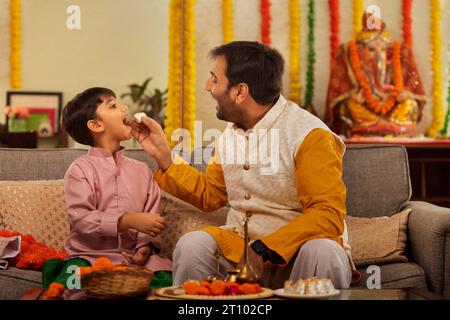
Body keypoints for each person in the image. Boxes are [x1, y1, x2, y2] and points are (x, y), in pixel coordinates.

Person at [132, 41, 360, 289]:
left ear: (240, 92)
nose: (207, 86)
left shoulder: (311, 135)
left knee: (324, 251)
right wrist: (163, 155)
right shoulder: (231, 134)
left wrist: (265, 249)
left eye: (214, 79)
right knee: (192, 244)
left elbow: (327, 216)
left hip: (300, 251)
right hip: (240, 246)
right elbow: (211, 194)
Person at [42, 87, 172, 289]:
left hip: (133, 260)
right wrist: (127, 220)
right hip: (88, 258)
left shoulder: (142, 170)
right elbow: (81, 218)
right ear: (96, 125)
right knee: (70, 283)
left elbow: (151, 215)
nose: (124, 108)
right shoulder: (80, 170)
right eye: (113, 105)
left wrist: (144, 246)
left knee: (167, 279)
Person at [326, 12, 426, 137]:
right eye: (372, 50)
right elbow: (341, 99)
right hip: (366, 111)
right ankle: (386, 127)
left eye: (383, 50)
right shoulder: (352, 59)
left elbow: (407, 91)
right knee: (350, 106)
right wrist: (355, 98)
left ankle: (388, 127)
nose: (379, 54)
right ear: (361, 50)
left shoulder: (395, 59)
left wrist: (401, 95)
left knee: (410, 104)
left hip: (392, 110)